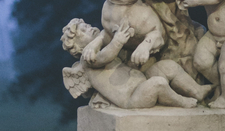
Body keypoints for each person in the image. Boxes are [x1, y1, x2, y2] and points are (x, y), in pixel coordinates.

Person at [61, 17, 213, 109]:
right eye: (85, 30)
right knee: (158, 83)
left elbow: (122, 67)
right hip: (133, 99)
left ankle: (196, 91)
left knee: (168, 66)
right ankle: (183, 102)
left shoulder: (101, 48)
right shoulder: (88, 59)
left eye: (88, 26)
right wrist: (117, 41)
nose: (91, 28)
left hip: (141, 82)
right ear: (78, 47)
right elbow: (106, 57)